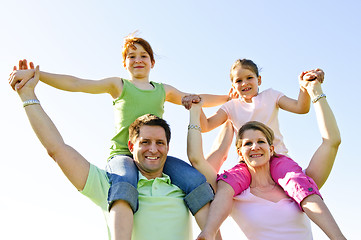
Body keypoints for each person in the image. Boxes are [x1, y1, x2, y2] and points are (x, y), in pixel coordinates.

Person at [9, 34, 229, 239]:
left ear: (153, 63)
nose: (138, 60)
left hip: (154, 155)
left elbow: (196, 98)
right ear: (125, 64)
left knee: (195, 181)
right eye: (131, 56)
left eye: (144, 55)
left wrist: (229, 98)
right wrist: (38, 75)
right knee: (124, 184)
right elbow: (77, 83)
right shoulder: (119, 85)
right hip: (124, 154)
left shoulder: (164, 90)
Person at [186, 76, 346, 239]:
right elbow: (197, 158)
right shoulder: (234, 192)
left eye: (260, 141)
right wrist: (195, 111)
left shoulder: (299, 182)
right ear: (240, 152)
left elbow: (332, 141)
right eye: (248, 144)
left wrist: (315, 90)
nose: (255, 146)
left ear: (271, 149)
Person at [190, 58, 326, 212]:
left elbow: (300, 107)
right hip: (248, 163)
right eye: (238, 81)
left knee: (296, 180)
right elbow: (206, 125)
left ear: (259, 80)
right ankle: (209, 232)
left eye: (249, 78)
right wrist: (197, 106)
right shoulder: (231, 106)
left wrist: (304, 87)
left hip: (276, 157)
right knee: (225, 185)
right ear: (233, 86)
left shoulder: (271, 96)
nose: (244, 83)